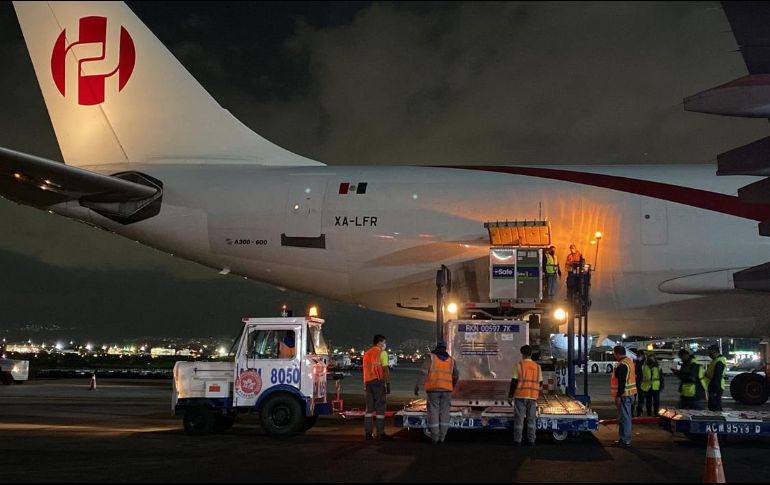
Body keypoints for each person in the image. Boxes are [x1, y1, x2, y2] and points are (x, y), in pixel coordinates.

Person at [414, 340, 459, 444]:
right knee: (444, 413)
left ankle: (435, 437)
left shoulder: (431, 358)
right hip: (447, 390)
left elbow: (423, 373)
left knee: (433, 413)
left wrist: (417, 386)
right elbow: (456, 375)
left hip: (433, 390)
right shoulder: (452, 360)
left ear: (437, 347)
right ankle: (442, 437)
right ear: (445, 348)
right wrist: (452, 385)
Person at [507, 345, 543, 446]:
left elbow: (514, 382)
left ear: (522, 354)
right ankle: (531, 441)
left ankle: (517, 440)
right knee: (531, 420)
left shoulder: (518, 365)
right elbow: (540, 382)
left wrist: (510, 396)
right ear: (531, 354)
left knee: (519, 419)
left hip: (520, 396)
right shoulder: (537, 367)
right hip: (532, 397)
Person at [363, 334, 392, 441]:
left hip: (367, 382)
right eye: (384, 342)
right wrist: (388, 384)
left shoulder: (367, 353)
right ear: (379, 342)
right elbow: (385, 370)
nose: (385, 345)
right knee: (380, 408)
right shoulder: (382, 353)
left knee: (369, 409)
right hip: (378, 383)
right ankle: (380, 433)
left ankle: (368, 433)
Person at [610, 345, 637, 448]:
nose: (614, 355)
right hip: (629, 394)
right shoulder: (629, 362)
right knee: (625, 417)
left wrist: (618, 396)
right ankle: (623, 439)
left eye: (614, 353)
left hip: (624, 395)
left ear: (617, 353)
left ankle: (625, 440)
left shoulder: (622, 365)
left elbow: (621, 382)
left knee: (625, 418)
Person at [705, 344, 727, 412]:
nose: (709, 354)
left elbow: (717, 377)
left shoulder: (719, 361)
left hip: (716, 386)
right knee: (713, 405)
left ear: (714, 351)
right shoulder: (716, 360)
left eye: (710, 352)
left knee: (715, 406)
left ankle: (718, 420)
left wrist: (714, 390)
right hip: (713, 385)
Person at [633, 351, 646, 417]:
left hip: (642, 384)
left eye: (640, 356)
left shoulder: (645, 364)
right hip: (635, 383)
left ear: (643, 356)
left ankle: (639, 413)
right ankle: (632, 413)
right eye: (638, 356)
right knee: (633, 399)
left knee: (641, 399)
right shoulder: (635, 363)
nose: (638, 357)